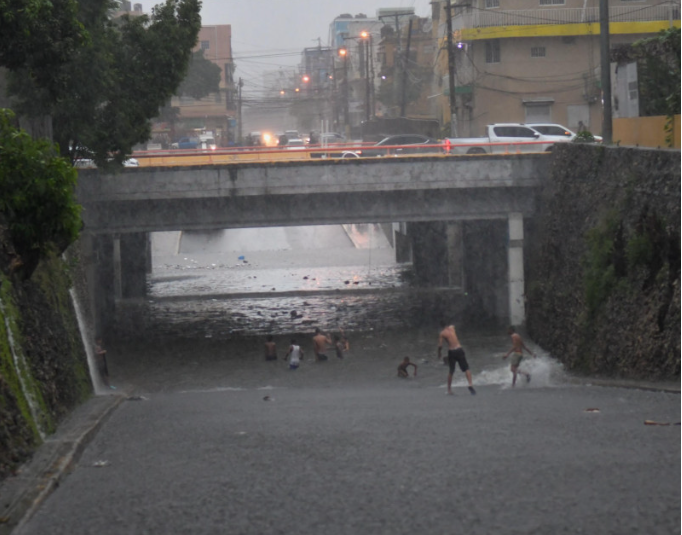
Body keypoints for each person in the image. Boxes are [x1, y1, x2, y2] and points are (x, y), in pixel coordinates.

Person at [437, 321, 476, 395]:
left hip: (452, 352)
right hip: (459, 349)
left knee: (451, 370)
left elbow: (440, 346)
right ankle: (470, 384)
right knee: (466, 368)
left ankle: (449, 390)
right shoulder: (452, 328)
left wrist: (439, 353)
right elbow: (453, 325)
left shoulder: (442, 333)